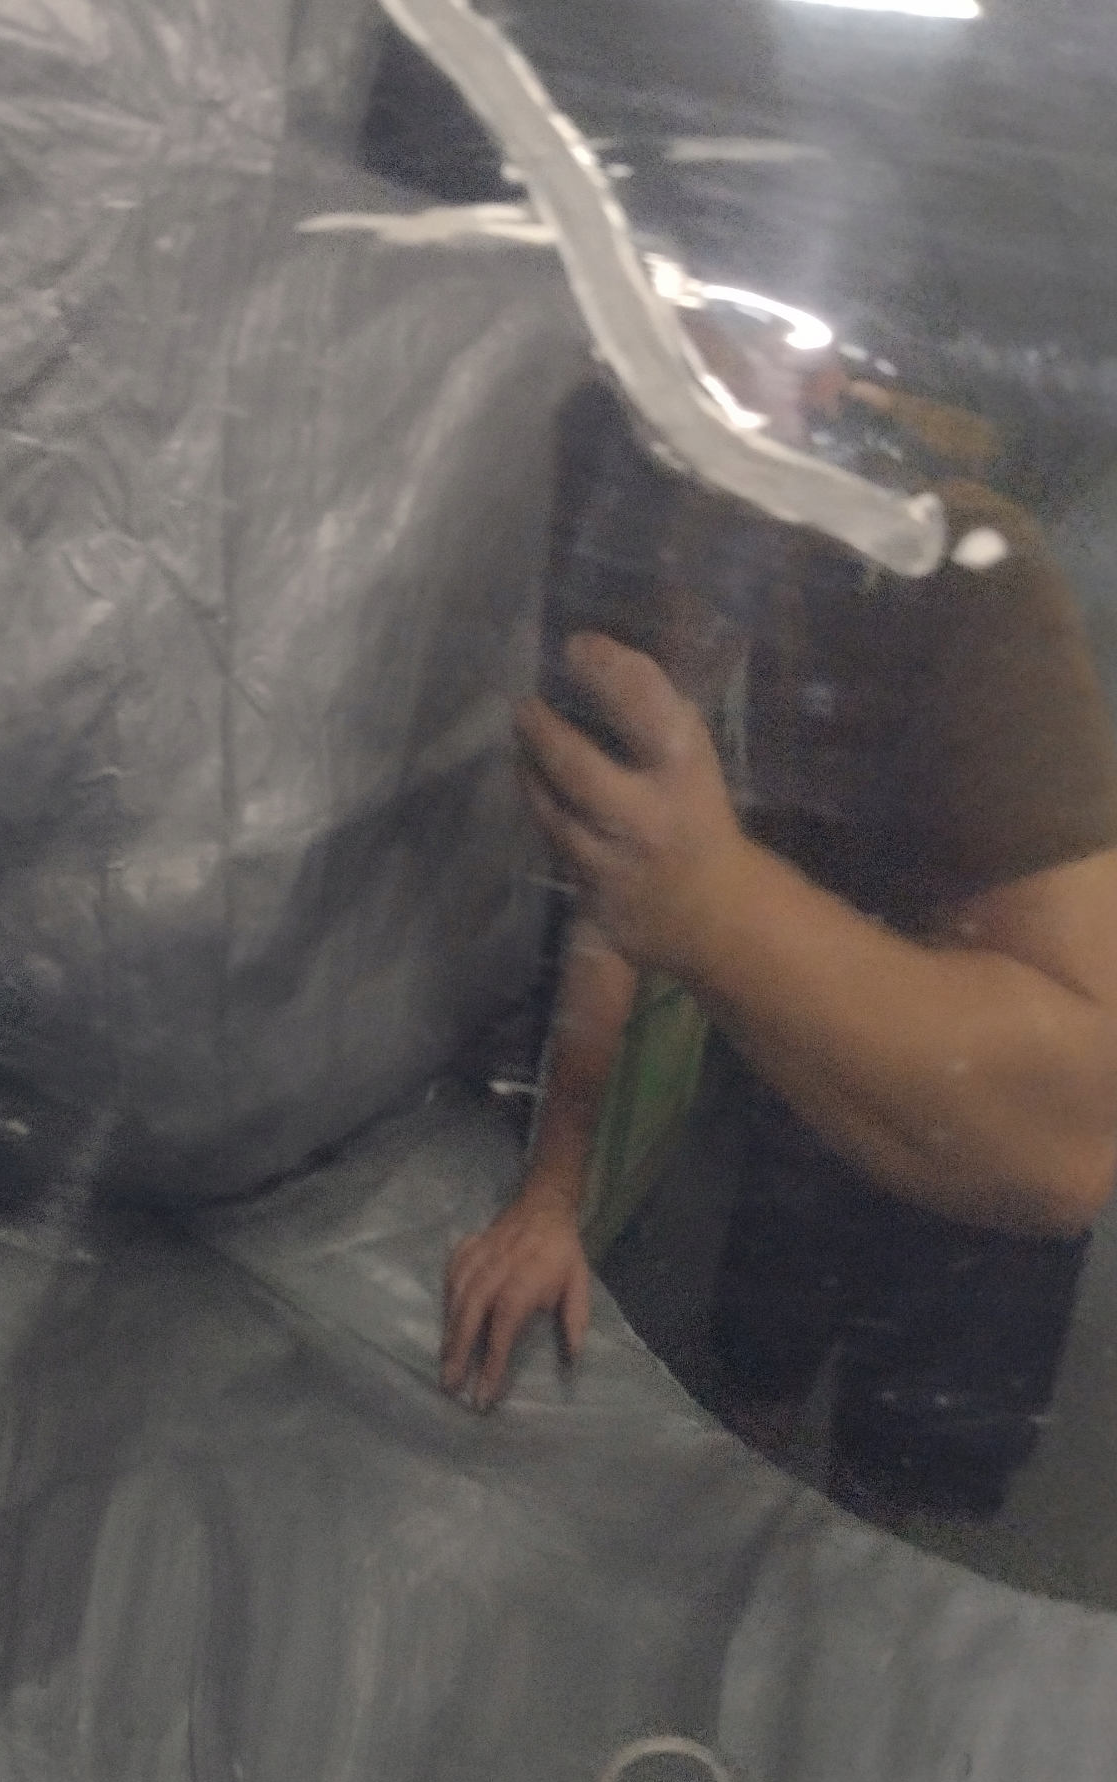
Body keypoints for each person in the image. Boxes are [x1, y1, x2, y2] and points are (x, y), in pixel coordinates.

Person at [441, 371, 1117, 1519]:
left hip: (973, 1139)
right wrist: (553, 1191)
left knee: (895, 1486)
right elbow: (618, 904)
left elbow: (1067, 1140)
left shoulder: (949, 567)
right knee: (754, 1377)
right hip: (795, 1087)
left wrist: (712, 904)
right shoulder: (635, 570)